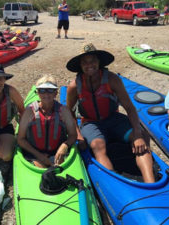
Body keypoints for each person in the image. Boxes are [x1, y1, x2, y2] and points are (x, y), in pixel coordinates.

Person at [66, 43, 155, 183]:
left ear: (99, 62)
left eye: (93, 61)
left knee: (143, 136)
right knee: (97, 146)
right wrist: (78, 135)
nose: (90, 65)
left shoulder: (112, 79)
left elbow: (130, 108)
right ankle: (115, 183)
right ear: (80, 66)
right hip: (90, 122)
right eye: (85, 62)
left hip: (113, 118)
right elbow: (69, 113)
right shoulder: (74, 86)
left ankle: (151, 182)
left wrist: (137, 134)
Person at [17, 75, 77, 168]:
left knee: (58, 169)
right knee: (41, 169)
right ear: (37, 92)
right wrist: (39, 155)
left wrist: (64, 146)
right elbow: (20, 139)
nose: (46, 94)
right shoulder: (29, 111)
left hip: (57, 153)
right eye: (42, 90)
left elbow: (73, 135)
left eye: (50, 90)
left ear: (55, 93)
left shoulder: (64, 111)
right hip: (34, 155)